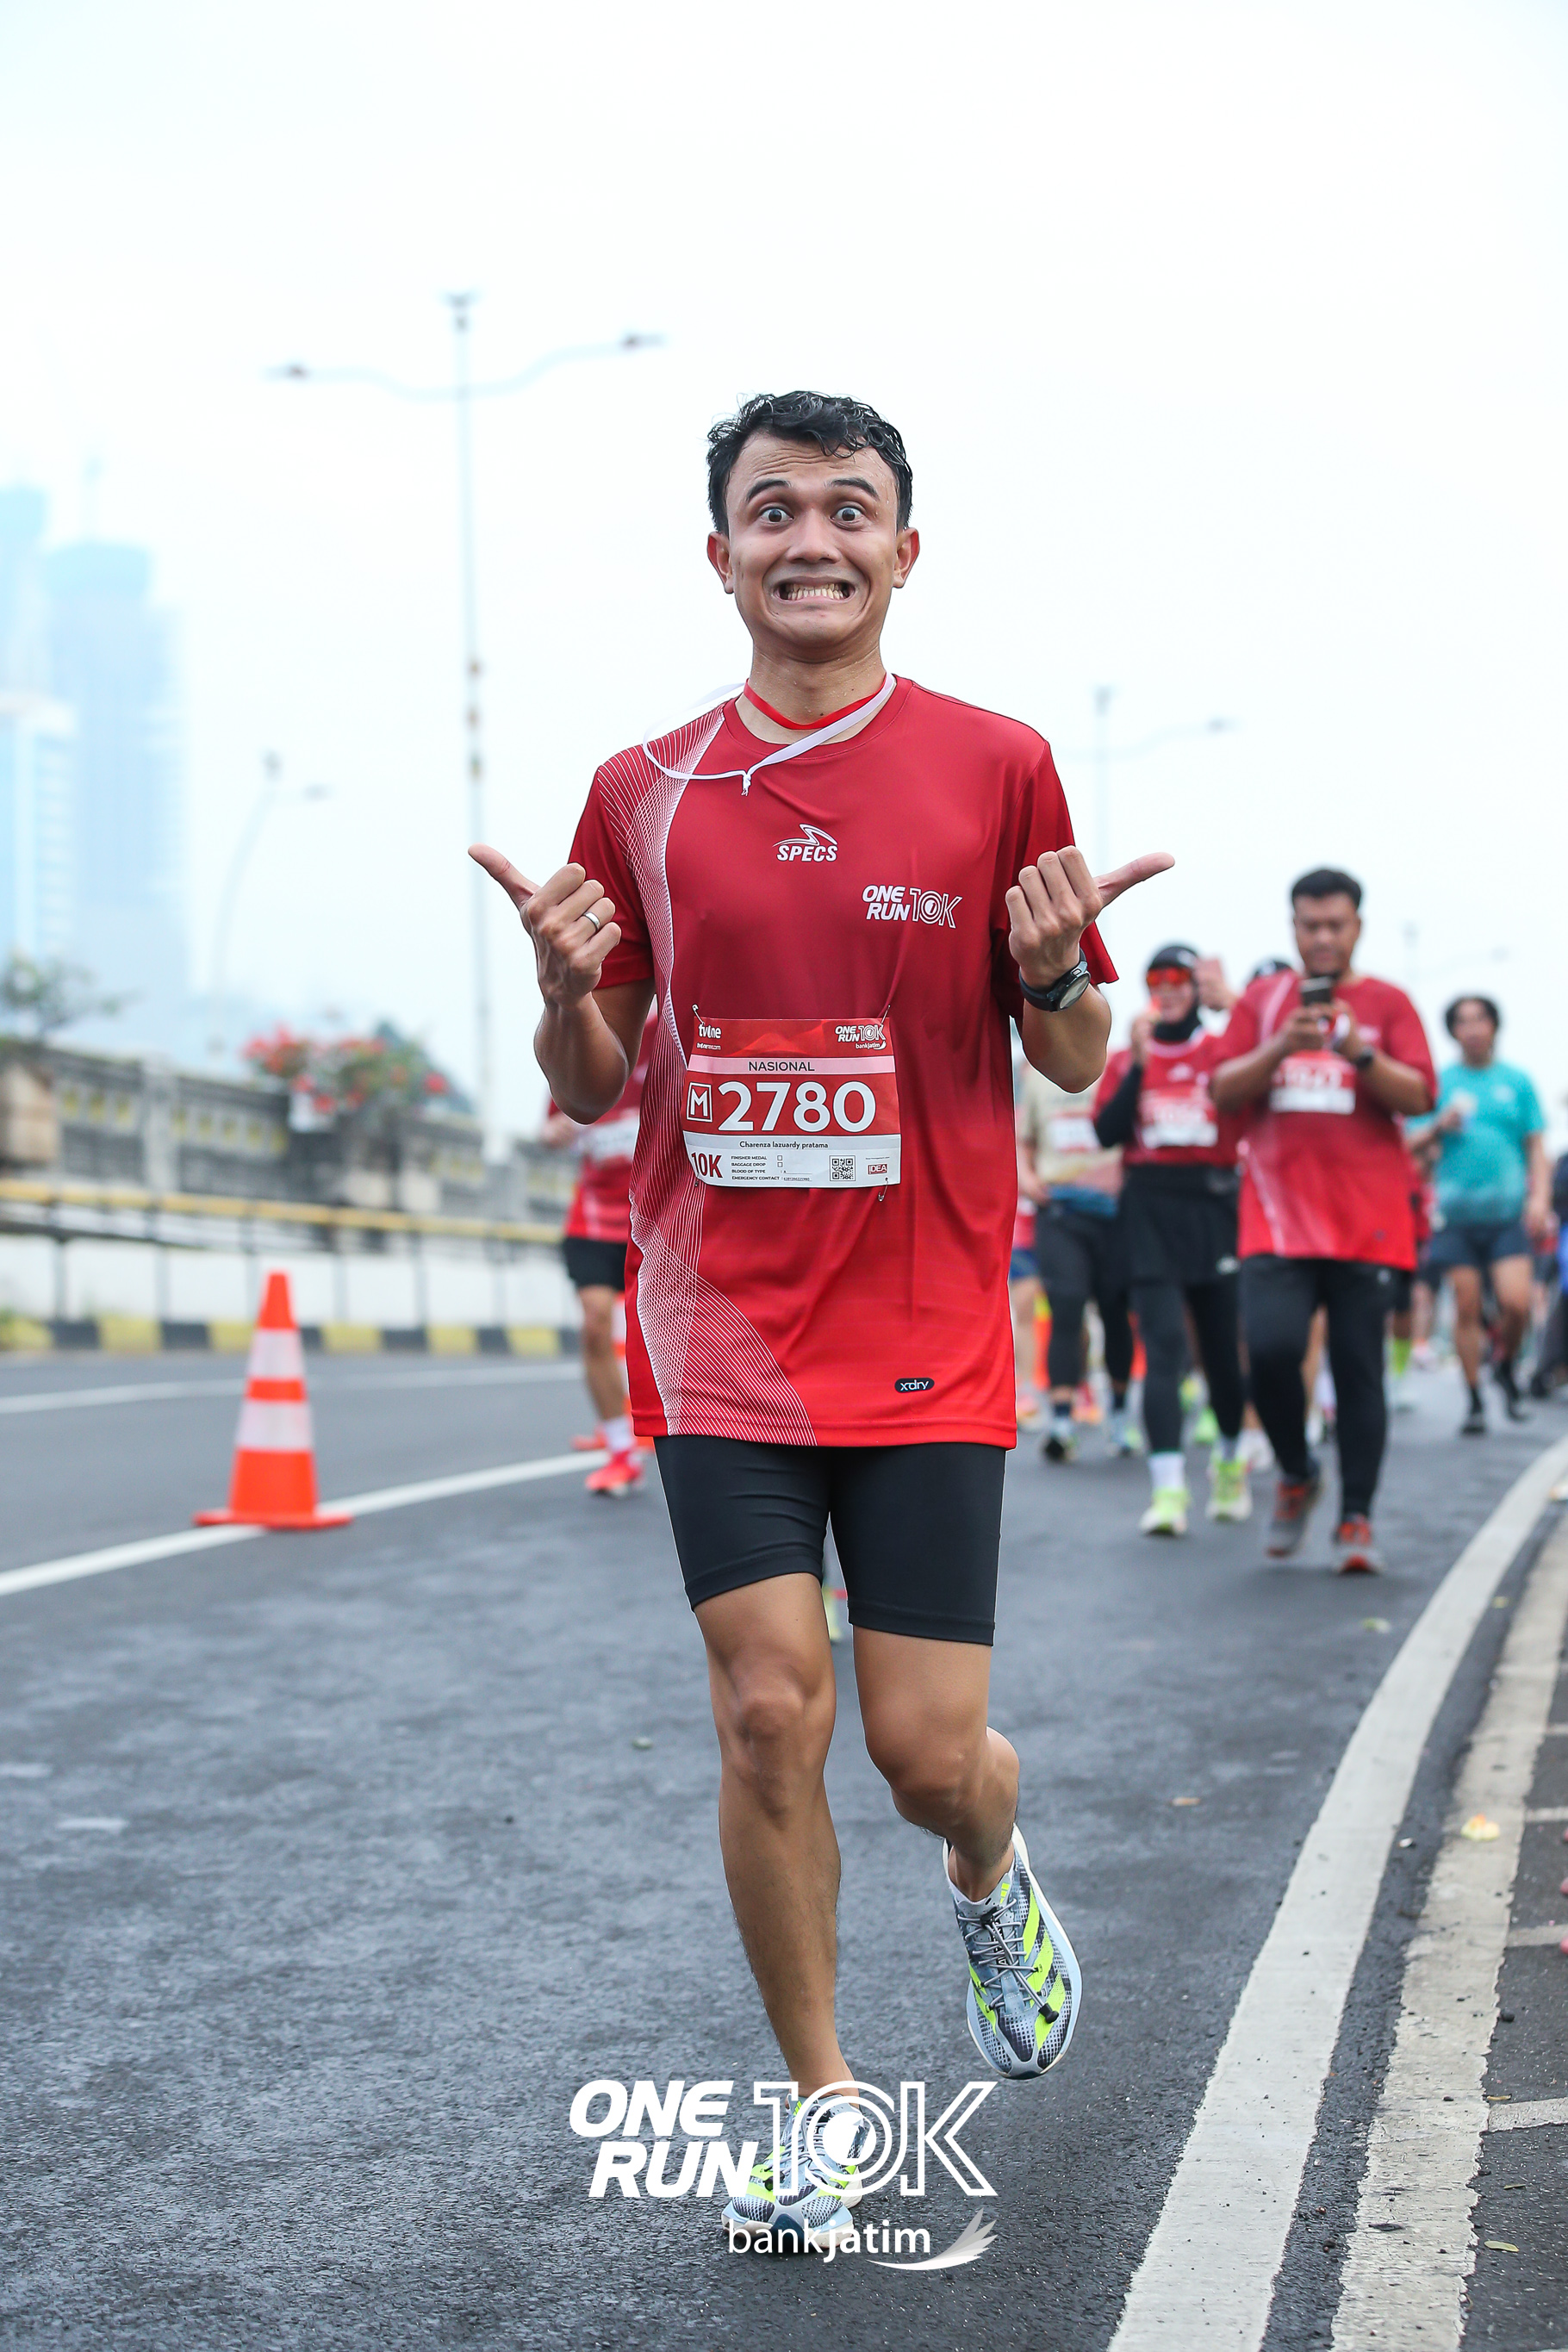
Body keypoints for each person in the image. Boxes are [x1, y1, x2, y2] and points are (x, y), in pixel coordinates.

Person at [470, 389, 1172, 2253]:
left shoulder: (998, 766)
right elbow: (593, 1082)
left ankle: (988, 1865)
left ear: (902, 552)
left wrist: (1053, 974)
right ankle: (825, 2100)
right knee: (771, 1708)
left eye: (848, 510)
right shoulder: (641, 788)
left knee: (924, 1752)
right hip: (720, 1329)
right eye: (772, 509)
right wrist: (563, 989)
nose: (811, 540)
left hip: (929, 1321)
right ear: (721, 556)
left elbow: (1074, 1059)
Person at [1210, 868, 1435, 1574]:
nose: (1324, 937)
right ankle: (1297, 1472)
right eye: (1311, 925)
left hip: (1368, 1225)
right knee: (1271, 1352)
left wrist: (1358, 1051)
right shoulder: (1262, 1002)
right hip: (1276, 1222)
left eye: (1336, 924)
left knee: (1359, 1369)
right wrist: (1282, 1045)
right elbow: (1221, 1090)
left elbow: (1421, 1095)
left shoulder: (1389, 1003)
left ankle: (1356, 1517)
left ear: (1358, 926)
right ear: (1294, 928)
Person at [1092, 943, 1248, 1536]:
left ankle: (1229, 1464)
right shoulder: (1127, 1058)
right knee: (1163, 1349)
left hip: (1213, 1205)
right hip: (1150, 1208)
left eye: (1181, 979)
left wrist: (1234, 1003)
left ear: (1196, 988)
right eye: (1158, 979)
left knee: (1222, 1352)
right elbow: (1106, 1132)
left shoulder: (1221, 1051)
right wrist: (1138, 1064)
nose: (1169, 989)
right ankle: (1168, 1492)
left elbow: (1261, 1069)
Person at [1417, 996, 1552, 1434]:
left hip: (1507, 1215)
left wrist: (1540, 1198)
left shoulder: (1517, 1081)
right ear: (1453, 1031)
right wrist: (1438, 1126)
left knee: (1516, 1303)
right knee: (1467, 1306)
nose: (1473, 1029)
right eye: (1463, 1021)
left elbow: (1536, 1146)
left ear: (1494, 1026)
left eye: (1480, 1019)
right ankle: (1474, 1398)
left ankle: (1505, 1362)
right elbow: (1409, 1143)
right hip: (1455, 1218)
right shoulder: (1440, 1084)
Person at [543, 1009, 656, 1494]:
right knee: (594, 1323)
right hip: (592, 1220)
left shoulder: (666, 1033)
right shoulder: (577, 1038)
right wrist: (555, 1133)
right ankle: (620, 1452)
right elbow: (550, 1126)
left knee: (668, 1339)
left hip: (658, 1220)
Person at [1018, 1060, 1139, 1459]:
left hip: (1114, 1212)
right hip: (1060, 1209)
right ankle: (1062, 1421)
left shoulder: (1118, 1068)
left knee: (1115, 1311)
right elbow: (1024, 1139)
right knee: (1066, 1307)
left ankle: (1118, 1416)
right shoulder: (1038, 1075)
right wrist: (1026, 1176)